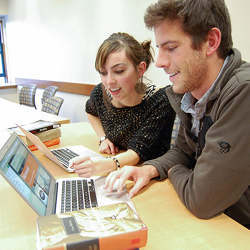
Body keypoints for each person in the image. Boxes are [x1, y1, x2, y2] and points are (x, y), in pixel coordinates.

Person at [104, 0, 250, 228]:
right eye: (160, 48)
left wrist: (174, 171)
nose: (160, 62)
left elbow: (203, 199)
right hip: (217, 222)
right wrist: (149, 170)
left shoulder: (243, 92)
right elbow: (183, 151)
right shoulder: (190, 94)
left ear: (210, 42)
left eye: (170, 48)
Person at [70, 32, 175, 177]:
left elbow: (138, 151)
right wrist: (103, 138)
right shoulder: (101, 94)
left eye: (119, 71)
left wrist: (108, 164)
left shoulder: (159, 101)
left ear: (140, 69)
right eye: (103, 72)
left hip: (152, 176)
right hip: (122, 171)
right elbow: (90, 111)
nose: (109, 81)